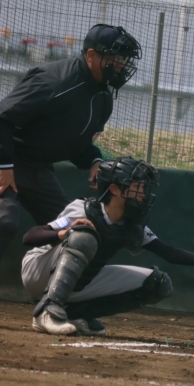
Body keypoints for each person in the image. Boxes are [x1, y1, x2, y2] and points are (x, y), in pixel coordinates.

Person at [0, 24, 142, 262]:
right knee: (4, 222)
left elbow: (75, 143)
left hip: (39, 170)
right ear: (91, 55)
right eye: (115, 58)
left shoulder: (103, 97)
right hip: (8, 160)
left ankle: (56, 283)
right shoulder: (53, 81)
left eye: (124, 60)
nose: (121, 65)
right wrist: (4, 166)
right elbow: (3, 117)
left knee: (78, 230)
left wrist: (94, 160)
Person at [21, 157, 194, 336]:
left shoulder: (131, 223)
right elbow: (30, 236)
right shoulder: (83, 209)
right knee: (83, 236)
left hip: (79, 282)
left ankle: (76, 316)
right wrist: (64, 233)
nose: (142, 193)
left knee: (158, 284)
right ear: (115, 189)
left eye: (143, 187)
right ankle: (47, 311)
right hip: (38, 271)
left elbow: (167, 252)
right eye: (137, 187)